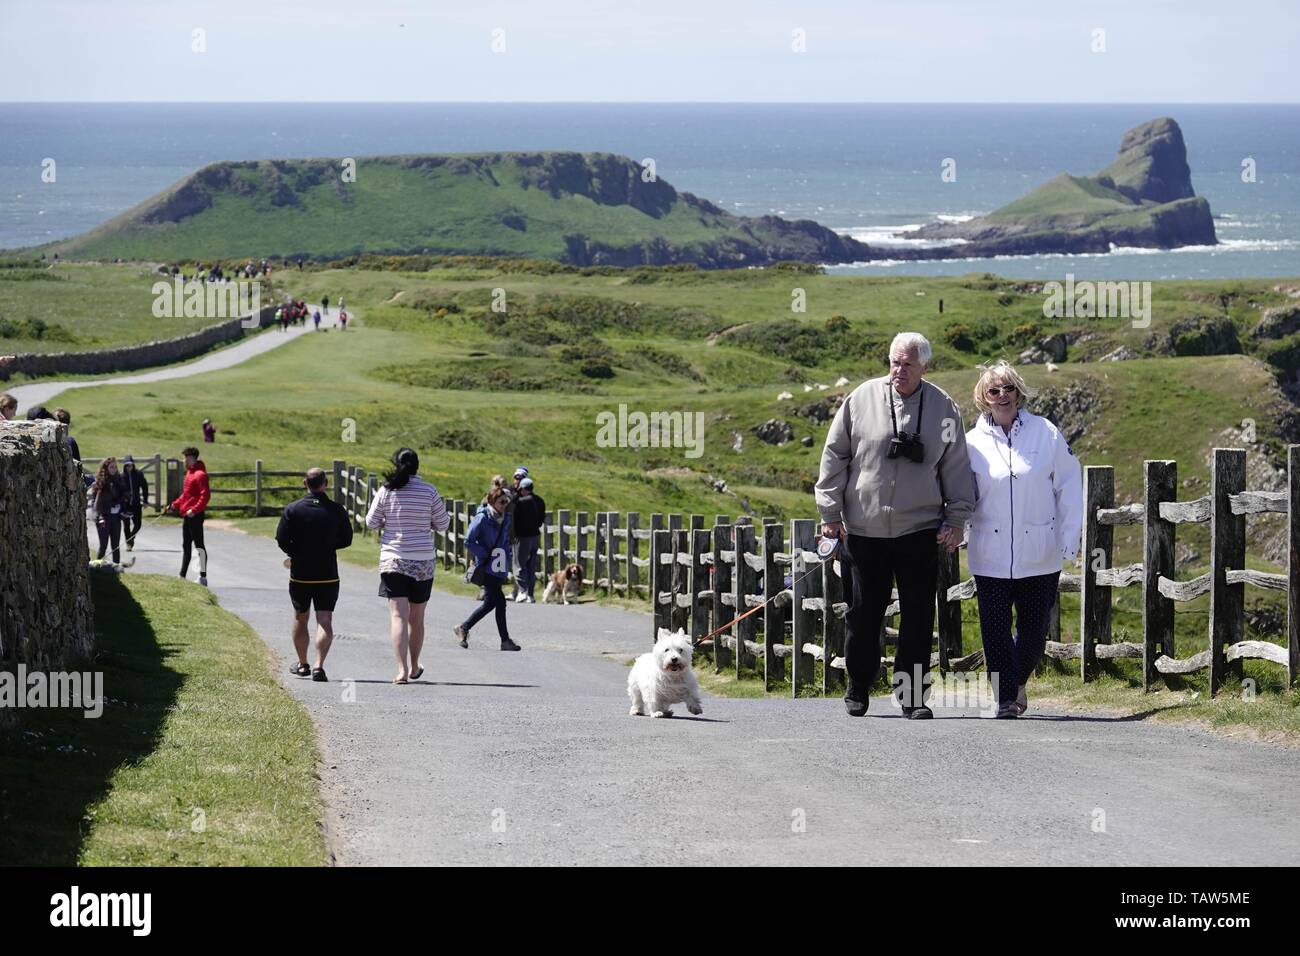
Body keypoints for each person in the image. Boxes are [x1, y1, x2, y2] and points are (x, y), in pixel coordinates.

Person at [815, 331, 976, 719]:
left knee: (919, 616)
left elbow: (955, 466)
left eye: (907, 364)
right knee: (863, 615)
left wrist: (956, 519)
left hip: (919, 530)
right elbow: (835, 455)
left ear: (925, 366)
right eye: (894, 362)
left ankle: (913, 697)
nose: (898, 371)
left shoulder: (944, 408)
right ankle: (858, 687)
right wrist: (830, 514)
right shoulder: (860, 399)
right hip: (864, 529)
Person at [966, 361, 1082, 718]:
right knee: (996, 632)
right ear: (984, 398)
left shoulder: (1045, 433)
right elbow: (959, 493)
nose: (1002, 396)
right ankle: (1005, 699)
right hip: (990, 554)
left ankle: (1016, 683)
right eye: (994, 391)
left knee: (1033, 633)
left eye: (1008, 389)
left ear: (1019, 392)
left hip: (1040, 553)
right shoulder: (971, 444)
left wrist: (1069, 538)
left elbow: (1069, 484)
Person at [365, 448, 450, 683]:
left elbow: (371, 522)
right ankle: (414, 666)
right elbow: (443, 523)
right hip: (422, 560)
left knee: (398, 617)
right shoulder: (429, 491)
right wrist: (426, 523)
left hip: (394, 559)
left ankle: (401, 670)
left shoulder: (386, 490)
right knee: (417, 618)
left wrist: (388, 522)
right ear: (417, 466)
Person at [277, 467, 353, 682]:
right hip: (327, 572)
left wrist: (296, 552)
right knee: (325, 619)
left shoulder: (292, 509)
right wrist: (327, 546)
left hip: (300, 573)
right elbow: (346, 539)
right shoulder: (336, 510)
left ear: (305, 483)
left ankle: (302, 665)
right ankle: (319, 665)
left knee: (301, 618)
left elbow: (281, 538)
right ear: (325, 484)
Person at [455, 486, 521, 651]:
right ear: (492, 501)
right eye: (502, 502)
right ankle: (505, 640)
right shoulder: (482, 518)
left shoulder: (505, 518)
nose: (505, 505)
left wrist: (505, 554)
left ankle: (464, 627)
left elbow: (504, 540)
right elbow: (469, 541)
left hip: (499, 566)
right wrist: (484, 554)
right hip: (487, 567)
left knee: (490, 604)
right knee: (500, 602)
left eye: (506, 502)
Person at [170, 446, 211, 585]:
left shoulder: (200, 475)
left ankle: (203, 577)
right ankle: (182, 576)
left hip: (196, 515)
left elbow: (205, 496)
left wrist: (194, 510)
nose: (183, 461)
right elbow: (186, 495)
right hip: (187, 515)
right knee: (186, 545)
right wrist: (174, 504)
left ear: (191, 458)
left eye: (185, 458)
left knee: (199, 546)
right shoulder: (189, 474)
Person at [511, 477, 546, 603]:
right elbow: (542, 519)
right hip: (535, 536)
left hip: (522, 537)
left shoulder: (520, 502)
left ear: (524, 489)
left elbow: (513, 515)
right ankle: (530, 594)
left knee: (519, 564)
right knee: (531, 566)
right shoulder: (540, 501)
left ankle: (522, 591)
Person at [92, 457, 127, 564]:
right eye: (111, 467)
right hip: (103, 518)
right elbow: (97, 503)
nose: (114, 469)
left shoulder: (119, 480)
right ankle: (96, 567)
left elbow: (123, 496)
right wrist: (101, 516)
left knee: (115, 546)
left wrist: (121, 508)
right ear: (106, 468)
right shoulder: (100, 482)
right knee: (103, 545)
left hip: (116, 518)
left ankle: (116, 568)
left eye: (115, 467)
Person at [121, 454, 150, 551]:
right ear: (124, 466)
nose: (129, 467)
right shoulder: (121, 476)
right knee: (126, 526)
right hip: (126, 505)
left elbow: (144, 487)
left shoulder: (138, 474)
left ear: (133, 465)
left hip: (136, 504)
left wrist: (145, 500)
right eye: (127, 465)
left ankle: (131, 538)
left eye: (131, 465)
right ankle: (128, 544)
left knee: (138, 524)